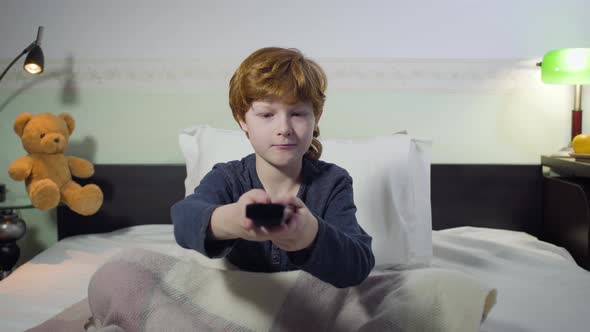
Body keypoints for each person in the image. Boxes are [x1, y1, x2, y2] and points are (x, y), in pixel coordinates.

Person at [171, 47, 374, 288]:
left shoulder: (333, 182)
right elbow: (183, 221)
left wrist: (310, 233)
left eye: (297, 113)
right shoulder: (228, 178)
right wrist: (235, 219)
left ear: (315, 117)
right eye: (267, 115)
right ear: (242, 119)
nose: (284, 128)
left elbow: (358, 265)